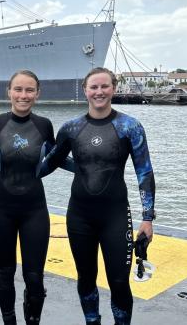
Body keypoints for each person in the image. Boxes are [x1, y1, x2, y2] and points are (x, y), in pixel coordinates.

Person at [42, 67, 156, 325]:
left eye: (104, 86)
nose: (99, 92)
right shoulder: (71, 128)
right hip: (80, 216)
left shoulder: (130, 126)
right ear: (85, 91)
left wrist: (147, 218)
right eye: (93, 87)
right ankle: (92, 321)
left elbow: (145, 173)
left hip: (115, 216)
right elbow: (50, 163)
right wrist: (15, 168)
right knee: (86, 277)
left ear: (113, 88)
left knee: (118, 281)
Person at [0, 70, 60, 324]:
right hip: (0, 209)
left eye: (29, 90)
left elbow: (56, 158)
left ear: (37, 94)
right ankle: (9, 321)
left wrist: (90, 166)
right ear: (9, 91)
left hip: (34, 210)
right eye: (18, 89)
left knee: (34, 276)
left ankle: (33, 319)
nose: (23, 95)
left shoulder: (44, 125)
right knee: (5, 272)